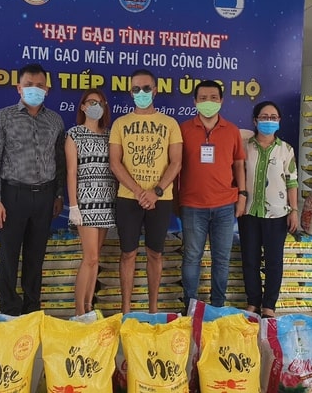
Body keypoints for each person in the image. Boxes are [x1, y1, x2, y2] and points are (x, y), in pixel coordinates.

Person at [0, 63, 66, 316]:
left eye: (39, 85)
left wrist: (58, 194)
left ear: (47, 89)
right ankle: (9, 310)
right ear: (19, 88)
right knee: (9, 256)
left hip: (45, 197)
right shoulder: (3, 117)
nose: (34, 89)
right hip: (12, 196)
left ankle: (32, 309)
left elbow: (59, 160)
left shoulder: (55, 120)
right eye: (28, 85)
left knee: (35, 256)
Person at [109, 69, 183, 313]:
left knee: (155, 254)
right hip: (128, 198)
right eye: (136, 89)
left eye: (146, 88)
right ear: (130, 92)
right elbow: (115, 163)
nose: (141, 93)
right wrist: (140, 191)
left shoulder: (170, 123)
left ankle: (153, 310)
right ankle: (126, 310)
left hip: (160, 199)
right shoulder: (120, 123)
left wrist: (156, 191)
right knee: (128, 254)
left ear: (156, 90)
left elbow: (176, 162)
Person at [178, 80, 246, 309]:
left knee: (221, 259)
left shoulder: (233, 131)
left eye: (214, 98)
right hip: (192, 205)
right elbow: (174, 166)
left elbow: (238, 165)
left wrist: (243, 195)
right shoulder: (183, 129)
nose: (209, 102)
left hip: (225, 205)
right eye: (203, 98)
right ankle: (191, 307)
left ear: (222, 101)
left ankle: (217, 306)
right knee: (191, 258)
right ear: (195, 101)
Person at [238, 100, 298, 319]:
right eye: (264, 117)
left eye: (273, 117)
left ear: (279, 121)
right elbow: (238, 175)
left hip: (277, 214)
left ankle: (269, 305)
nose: (269, 121)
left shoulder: (286, 150)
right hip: (249, 212)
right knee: (250, 259)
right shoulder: (245, 147)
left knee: (274, 261)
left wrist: (294, 210)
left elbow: (292, 182)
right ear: (255, 121)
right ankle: (253, 302)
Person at [66, 88, 117, 316]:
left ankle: (89, 307)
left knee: (96, 259)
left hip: (106, 201)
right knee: (90, 257)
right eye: (91, 102)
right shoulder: (74, 134)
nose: (96, 105)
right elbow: (71, 172)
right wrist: (73, 206)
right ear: (83, 106)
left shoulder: (109, 135)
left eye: (100, 102)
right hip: (85, 203)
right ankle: (78, 312)